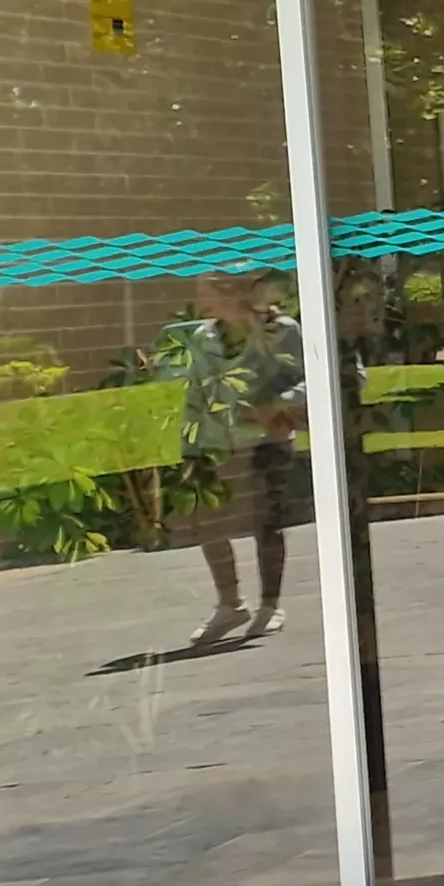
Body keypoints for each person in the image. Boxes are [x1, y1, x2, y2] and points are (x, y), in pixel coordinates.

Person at [184, 272, 303, 647]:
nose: (199, 299)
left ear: (232, 294)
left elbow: (314, 375)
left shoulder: (282, 331)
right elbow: (196, 391)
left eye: (206, 291)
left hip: (268, 439)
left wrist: (278, 403)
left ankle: (270, 606)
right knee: (208, 523)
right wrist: (189, 444)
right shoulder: (203, 338)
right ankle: (230, 603)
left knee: (267, 521)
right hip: (217, 444)